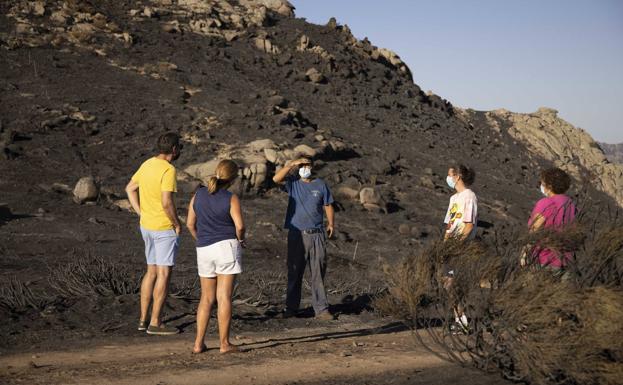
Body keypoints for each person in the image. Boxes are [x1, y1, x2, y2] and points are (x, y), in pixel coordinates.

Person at [125, 132, 183, 335]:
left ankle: (143, 319)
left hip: (146, 226)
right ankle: (156, 322)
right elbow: (167, 202)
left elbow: (130, 188)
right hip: (163, 228)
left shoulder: (147, 163)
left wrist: (141, 212)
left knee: (151, 272)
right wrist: (177, 223)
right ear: (174, 150)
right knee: (164, 274)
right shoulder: (169, 170)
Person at [186, 160, 244, 354]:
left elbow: (189, 224)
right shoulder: (231, 198)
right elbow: (240, 226)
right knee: (224, 297)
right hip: (226, 247)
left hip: (204, 248)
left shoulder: (198, 194)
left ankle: (198, 343)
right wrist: (241, 240)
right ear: (233, 178)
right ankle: (224, 344)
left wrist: (200, 239)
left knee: (206, 298)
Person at [272, 157, 335, 320]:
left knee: (318, 272)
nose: (304, 168)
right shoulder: (293, 183)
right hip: (296, 234)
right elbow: (276, 179)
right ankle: (291, 308)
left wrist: (331, 224)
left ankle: (321, 309)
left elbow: (327, 204)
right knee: (294, 271)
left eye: (307, 165)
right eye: (301, 165)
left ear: (312, 167)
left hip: (317, 234)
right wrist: (292, 164)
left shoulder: (320, 184)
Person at [442, 164, 478, 333]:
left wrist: (458, 244)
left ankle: (462, 320)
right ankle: (459, 317)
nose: (448, 178)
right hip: (451, 246)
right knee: (448, 283)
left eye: (450, 174)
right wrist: (444, 244)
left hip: (462, 247)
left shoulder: (469, 196)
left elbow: (468, 224)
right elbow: (449, 224)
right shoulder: (453, 199)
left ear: (458, 176)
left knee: (456, 283)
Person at [523, 167, 576, 271]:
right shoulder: (570, 203)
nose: (541, 186)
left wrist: (525, 253)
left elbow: (534, 230)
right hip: (565, 259)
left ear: (549, 186)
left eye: (543, 183)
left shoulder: (546, 203)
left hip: (544, 258)